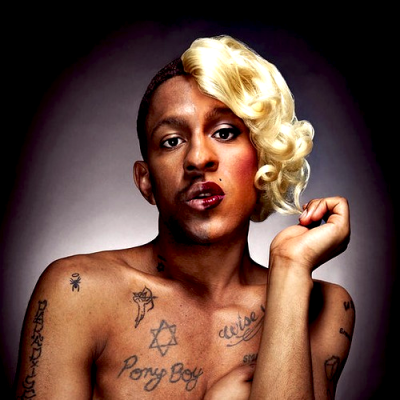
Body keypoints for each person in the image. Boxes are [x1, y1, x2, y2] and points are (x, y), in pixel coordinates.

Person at [14, 34, 355, 399]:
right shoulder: (76, 292)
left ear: (263, 160)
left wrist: (289, 268)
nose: (198, 159)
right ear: (146, 181)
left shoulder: (324, 309)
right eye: (172, 141)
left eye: (225, 132)